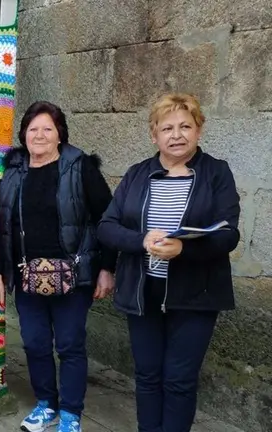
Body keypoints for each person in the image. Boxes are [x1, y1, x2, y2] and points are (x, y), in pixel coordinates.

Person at [97, 93, 240, 432]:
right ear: (154, 135)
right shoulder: (137, 174)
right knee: (147, 376)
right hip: (142, 291)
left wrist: (184, 250)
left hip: (195, 294)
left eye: (185, 126)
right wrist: (140, 240)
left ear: (199, 130)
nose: (176, 135)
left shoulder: (216, 173)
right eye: (167, 128)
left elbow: (228, 234)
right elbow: (107, 226)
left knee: (179, 380)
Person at [0, 101, 117, 432]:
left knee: (70, 344)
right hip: (28, 275)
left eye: (48, 128)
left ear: (60, 134)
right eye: (33, 129)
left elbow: (108, 217)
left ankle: (71, 412)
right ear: (24, 134)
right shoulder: (15, 171)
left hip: (73, 277)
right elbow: (2, 226)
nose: (40, 135)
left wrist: (107, 267)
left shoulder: (80, 167)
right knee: (34, 342)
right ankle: (47, 404)